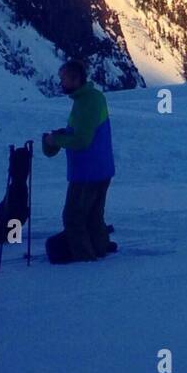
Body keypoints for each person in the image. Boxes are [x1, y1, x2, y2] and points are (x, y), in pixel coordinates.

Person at [42, 60, 116, 262]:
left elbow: (82, 140)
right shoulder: (90, 98)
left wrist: (55, 139)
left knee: (74, 217)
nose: (61, 82)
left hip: (87, 172)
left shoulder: (86, 102)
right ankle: (99, 248)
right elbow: (84, 131)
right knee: (93, 216)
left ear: (75, 79)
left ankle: (83, 258)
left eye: (64, 78)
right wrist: (64, 134)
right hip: (100, 168)